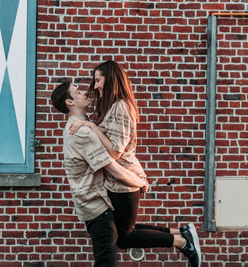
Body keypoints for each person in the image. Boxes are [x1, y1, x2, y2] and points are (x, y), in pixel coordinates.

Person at [67, 60, 202, 267]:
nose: (94, 87)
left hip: (124, 180)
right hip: (118, 181)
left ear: (110, 79)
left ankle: (181, 242)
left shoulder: (120, 106)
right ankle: (179, 233)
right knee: (124, 233)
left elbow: (114, 150)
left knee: (125, 237)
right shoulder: (114, 106)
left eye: (97, 80)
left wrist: (90, 126)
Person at [50, 80, 149, 266]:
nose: (84, 92)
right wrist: (140, 182)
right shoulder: (81, 132)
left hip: (96, 204)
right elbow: (113, 169)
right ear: (69, 102)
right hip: (96, 206)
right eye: (77, 91)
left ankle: (179, 238)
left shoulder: (83, 125)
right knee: (106, 261)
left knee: (122, 238)